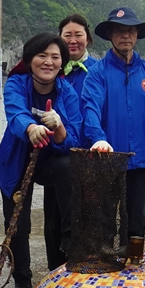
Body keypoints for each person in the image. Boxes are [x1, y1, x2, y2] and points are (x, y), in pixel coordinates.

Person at [0, 32, 81, 288]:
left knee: (67, 165)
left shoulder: (67, 91)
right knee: (18, 220)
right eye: (42, 56)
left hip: (51, 161)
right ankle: (22, 280)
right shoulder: (16, 84)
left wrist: (60, 128)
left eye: (55, 57)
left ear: (62, 62)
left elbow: (75, 138)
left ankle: (69, 251)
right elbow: (15, 112)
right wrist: (31, 127)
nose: (48, 62)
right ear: (30, 60)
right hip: (19, 158)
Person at [83, 7, 145, 248]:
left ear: (136, 35)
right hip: (107, 159)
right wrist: (98, 139)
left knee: (136, 221)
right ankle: (104, 268)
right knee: (105, 219)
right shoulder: (97, 72)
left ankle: (134, 265)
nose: (125, 36)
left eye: (130, 31)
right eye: (119, 31)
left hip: (141, 161)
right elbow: (90, 110)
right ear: (110, 34)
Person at [42, 13, 99, 268]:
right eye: (67, 36)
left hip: (92, 154)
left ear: (88, 38)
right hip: (58, 155)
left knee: (87, 216)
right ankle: (56, 271)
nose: (73, 40)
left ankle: (83, 273)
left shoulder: (99, 71)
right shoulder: (51, 70)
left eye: (79, 35)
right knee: (54, 218)